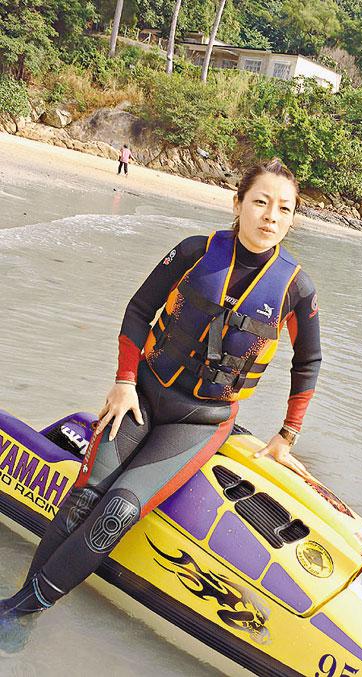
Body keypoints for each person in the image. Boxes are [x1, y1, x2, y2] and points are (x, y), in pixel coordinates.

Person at [0, 157, 321, 618]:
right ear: (238, 204)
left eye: (284, 209)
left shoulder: (297, 288)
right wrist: (124, 381)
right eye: (261, 202)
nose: (271, 216)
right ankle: (19, 606)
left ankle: (21, 612)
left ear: (292, 219)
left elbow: (307, 362)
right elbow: (139, 310)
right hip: (142, 396)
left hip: (200, 421)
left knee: (118, 512)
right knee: (85, 497)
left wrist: (287, 435)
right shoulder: (194, 252)